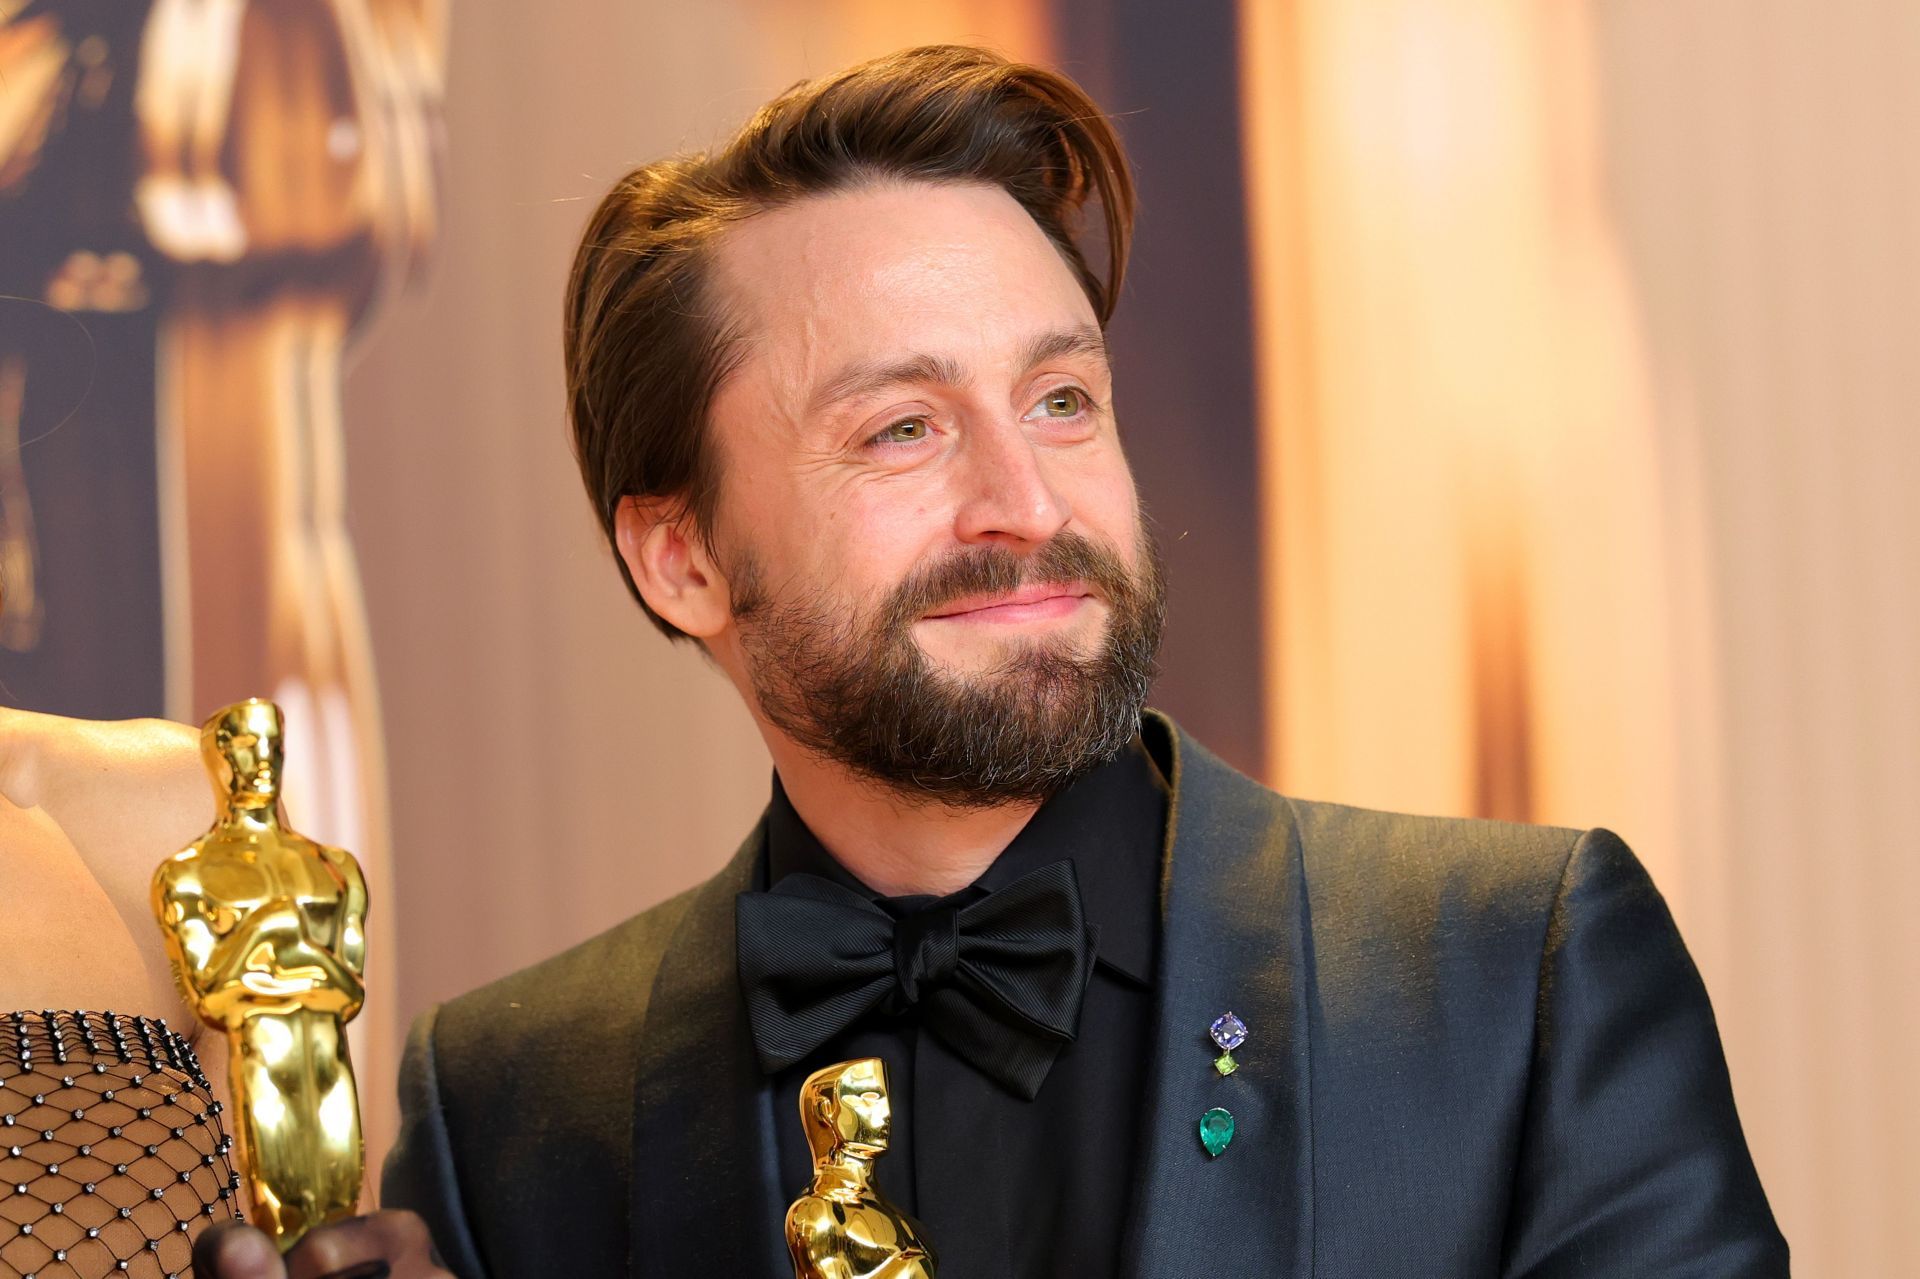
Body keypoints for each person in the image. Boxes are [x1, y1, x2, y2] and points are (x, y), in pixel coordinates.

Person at [193, 43, 1786, 1279]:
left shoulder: (1524, 974)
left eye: (1061, 401)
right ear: (681, 559)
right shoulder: (509, 1111)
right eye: (902, 428)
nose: (1025, 505)